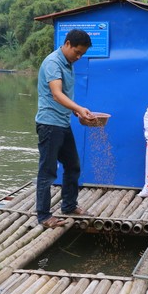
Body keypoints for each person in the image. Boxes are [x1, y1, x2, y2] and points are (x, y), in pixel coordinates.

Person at [35, 29, 95, 228]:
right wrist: (79, 108)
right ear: (67, 44)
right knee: (48, 171)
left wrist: (77, 114)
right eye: (77, 52)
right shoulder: (53, 63)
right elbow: (57, 95)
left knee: (73, 165)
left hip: (62, 123)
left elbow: (64, 100)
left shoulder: (68, 63)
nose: (79, 57)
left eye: (82, 54)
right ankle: (43, 216)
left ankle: (69, 205)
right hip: (49, 125)